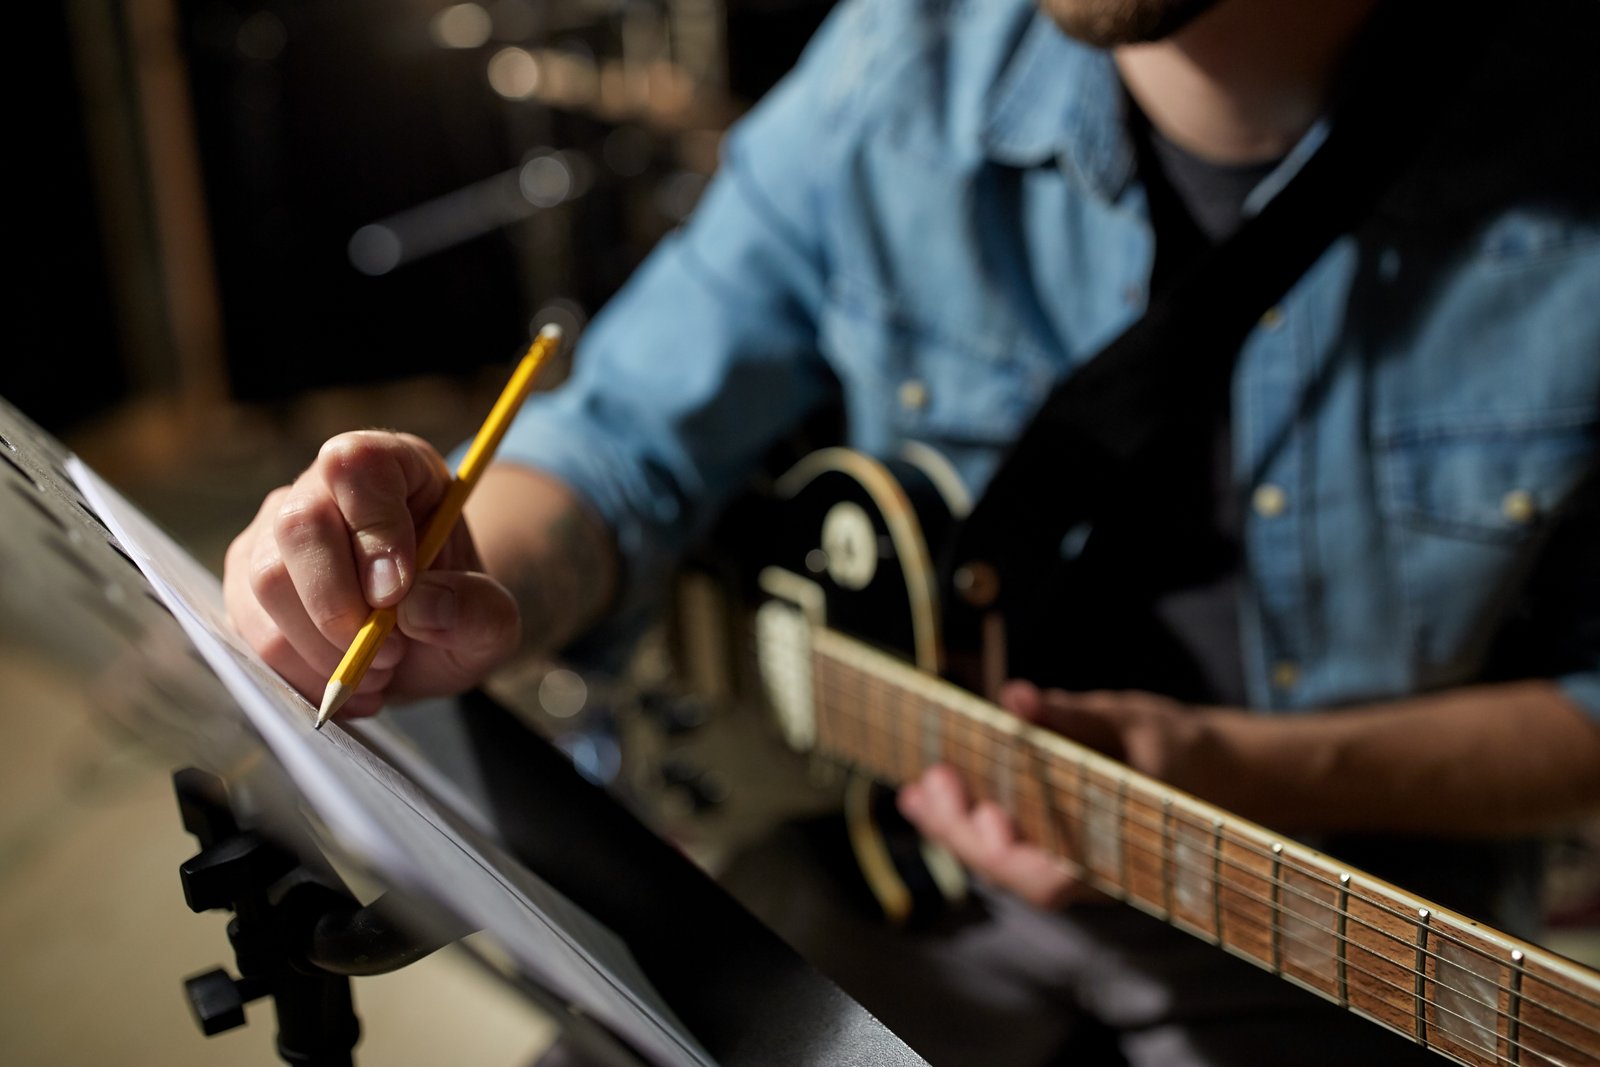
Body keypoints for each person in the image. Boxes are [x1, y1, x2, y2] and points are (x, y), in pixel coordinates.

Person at [224, 0, 1600, 1062]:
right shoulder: (906, 64)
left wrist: (1241, 774)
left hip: (1348, 927)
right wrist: (447, 569)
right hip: (906, 878)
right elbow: (615, 449)